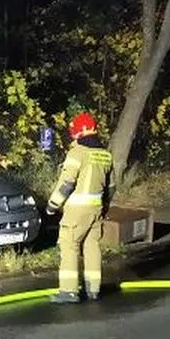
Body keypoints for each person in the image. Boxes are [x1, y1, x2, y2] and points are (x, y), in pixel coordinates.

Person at [46, 112, 114, 304]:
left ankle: (68, 291)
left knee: (70, 247)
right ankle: (93, 289)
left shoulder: (77, 153)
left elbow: (67, 183)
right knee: (92, 246)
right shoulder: (105, 155)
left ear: (77, 132)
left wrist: (52, 206)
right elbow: (111, 187)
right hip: (96, 210)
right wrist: (104, 207)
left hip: (76, 211)